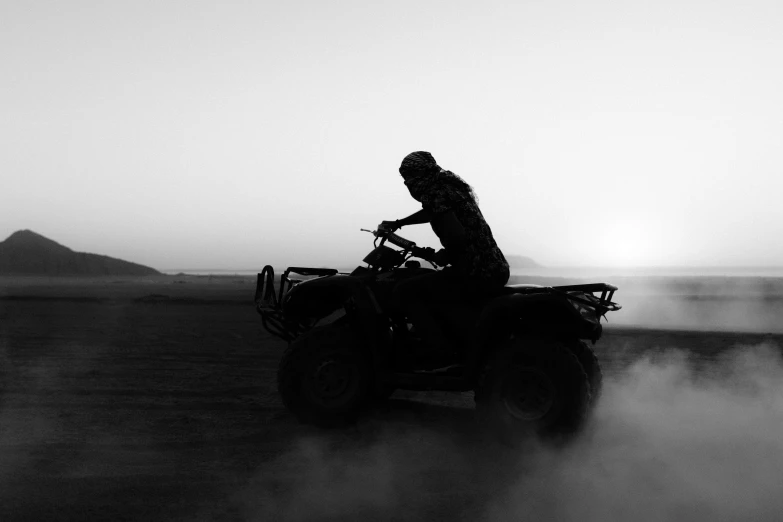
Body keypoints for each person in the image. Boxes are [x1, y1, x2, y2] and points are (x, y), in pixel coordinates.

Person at [379, 151, 509, 361]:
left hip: (474, 271)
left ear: (419, 174)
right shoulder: (449, 189)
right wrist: (399, 223)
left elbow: (457, 237)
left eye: (408, 177)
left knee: (405, 291)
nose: (407, 183)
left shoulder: (435, 192)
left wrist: (444, 256)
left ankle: (440, 353)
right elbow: (433, 212)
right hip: (493, 267)